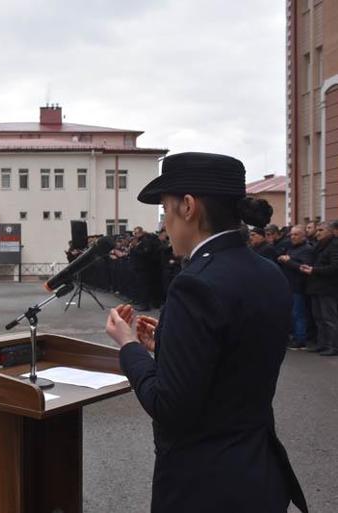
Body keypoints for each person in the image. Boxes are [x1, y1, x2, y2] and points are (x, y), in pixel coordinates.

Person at [104, 152, 307, 513]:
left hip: (204, 483)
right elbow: (234, 360)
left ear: (187, 207)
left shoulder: (195, 285)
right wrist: (166, 344)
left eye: (165, 211)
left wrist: (129, 346)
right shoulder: (267, 272)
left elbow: (169, 406)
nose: (164, 224)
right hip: (257, 473)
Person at [299, 222, 338, 356]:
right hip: (316, 287)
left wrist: (314, 270)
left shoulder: (334, 245)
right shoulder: (319, 245)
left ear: (330, 231)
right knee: (319, 318)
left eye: (321, 230)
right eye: (318, 230)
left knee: (329, 319)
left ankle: (333, 346)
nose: (318, 233)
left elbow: (335, 267)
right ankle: (322, 344)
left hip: (328, 288)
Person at [277, 225, 314, 349]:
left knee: (298, 314)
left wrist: (288, 261)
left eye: (296, 234)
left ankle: (300, 340)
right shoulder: (291, 248)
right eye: (291, 234)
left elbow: (304, 268)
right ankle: (295, 336)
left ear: (303, 236)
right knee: (292, 314)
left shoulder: (307, 249)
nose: (293, 237)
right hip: (288, 285)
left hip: (298, 286)